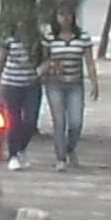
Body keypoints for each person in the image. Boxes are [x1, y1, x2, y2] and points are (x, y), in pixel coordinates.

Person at [44, 13, 93, 165]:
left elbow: (89, 61)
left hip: (75, 84)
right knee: (59, 121)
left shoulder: (82, 37)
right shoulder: (50, 37)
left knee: (76, 122)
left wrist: (94, 81)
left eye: (67, 15)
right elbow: (44, 59)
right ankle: (60, 157)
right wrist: (52, 66)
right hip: (55, 84)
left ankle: (70, 148)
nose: (65, 19)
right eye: (60, 15)